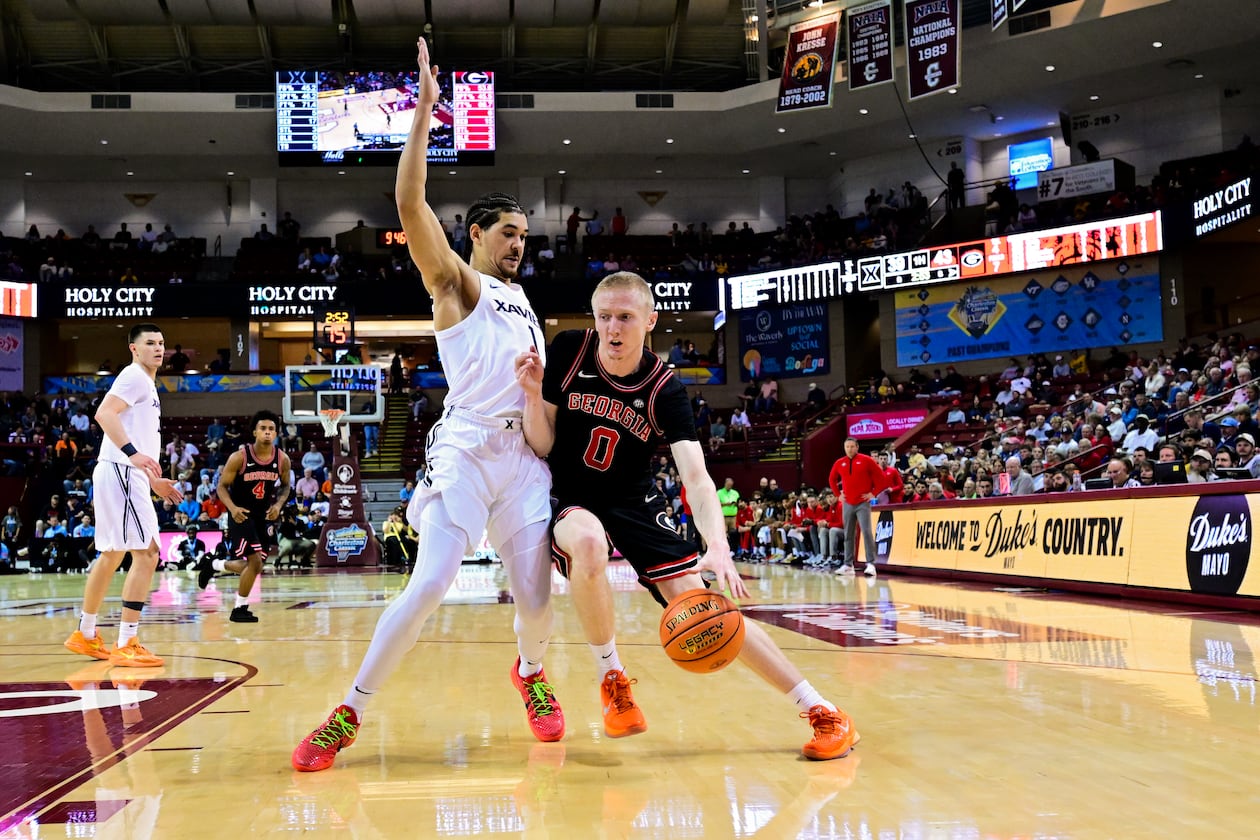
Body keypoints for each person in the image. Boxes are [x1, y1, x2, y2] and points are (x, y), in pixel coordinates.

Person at [292, 38, 563, 773]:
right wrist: (423, 112)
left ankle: (531, 675)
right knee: (432, 584)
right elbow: (409, 202)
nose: (518, 245)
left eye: (525, 237)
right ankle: (348, 710)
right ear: (475, 234)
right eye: (508, 233)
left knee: (537, 595)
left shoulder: (524, 298)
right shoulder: (456, 284)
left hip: (523, 456)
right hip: (469, 450)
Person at [516, 271, 858, 761]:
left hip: (633, 500)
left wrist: (715, 543)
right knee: (588, 543)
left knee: (708, 613)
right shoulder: (570, 349)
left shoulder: (665, 390)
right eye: (605, 316)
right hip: (569, 494)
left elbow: (696, 478)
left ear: (650, 321)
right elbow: (542, 442)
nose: (613, 328)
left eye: (626, 318)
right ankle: (612, 678)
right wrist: (532, 396)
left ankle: (822, 709)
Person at [63, 323, 183, 667]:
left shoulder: (146, 382)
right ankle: (127, 641)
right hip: (121, 470)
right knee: (147, 555)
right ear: (134, 348)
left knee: (112, 554)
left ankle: (85, 634)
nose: (158, 348)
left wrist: (151, 480)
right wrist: (133, 456)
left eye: (161, 342)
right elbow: (103, 414)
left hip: (121, 473)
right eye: (150, 343)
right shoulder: (134, 376)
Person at [197, 410, 291, 623]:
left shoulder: (282, 459)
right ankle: (239, 608)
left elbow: (286, 486)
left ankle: (214, 565)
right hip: (240, 514)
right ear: (255, 432)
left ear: (276, 433)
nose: (267, 433)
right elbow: (221, 487)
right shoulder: (239, 457)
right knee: (255, 561)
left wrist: (278, 504)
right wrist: (232, 509)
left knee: (256, 566)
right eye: (263, 429)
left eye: (271, 429)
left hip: (264, 516)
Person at [828, 438, 889, 576]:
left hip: (862, 502)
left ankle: (871, 564)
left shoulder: (867, 460)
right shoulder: (840, 462)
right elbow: (832, 479)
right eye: (847, 446)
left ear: (857, 447)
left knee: (866, 532)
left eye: (852, 446)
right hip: (847, 503)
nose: (849, 449)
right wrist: (838, 495)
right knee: (848, 534)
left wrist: (873, 493)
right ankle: (848, 565)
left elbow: (882, 479)